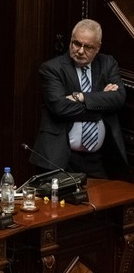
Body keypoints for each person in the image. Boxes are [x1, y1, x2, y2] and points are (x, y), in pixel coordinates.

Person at [31, 19, 127, 179]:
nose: (80, 51)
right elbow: (60, 107)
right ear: (70, 41)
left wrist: (81, 97)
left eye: (88, 47)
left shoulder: (107, 64)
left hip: (100, 159)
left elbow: (119, 98)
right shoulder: (52, 68)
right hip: (62, 157)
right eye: (76, 43)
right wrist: (101, 102)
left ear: (98, 47)